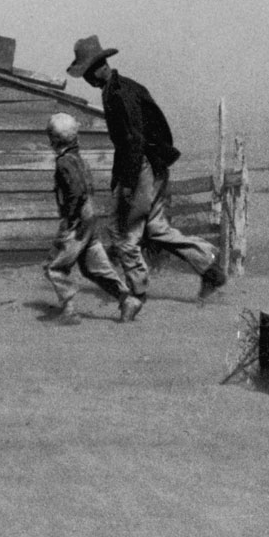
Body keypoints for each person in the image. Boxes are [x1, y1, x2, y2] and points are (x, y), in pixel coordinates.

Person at [66, 36, 226, 321]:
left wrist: (127, 185)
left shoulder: (120, 94)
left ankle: (136, 295)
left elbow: (134, 141)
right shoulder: (120, 88)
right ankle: (210, 269)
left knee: (125, 234)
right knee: (157, 229)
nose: (88, 79)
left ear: (101, 66)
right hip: (151, 165)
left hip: (141, 167)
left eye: (89, 72)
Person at [42, 112, 140, 325]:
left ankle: (69, 310)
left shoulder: (64, 163)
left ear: (54, 139)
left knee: (55, 266)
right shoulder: (80, 160)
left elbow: (76, 191)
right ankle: (127, 299)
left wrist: (70, 218)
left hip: (77, 220)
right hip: (90, 218)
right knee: (94, 266)